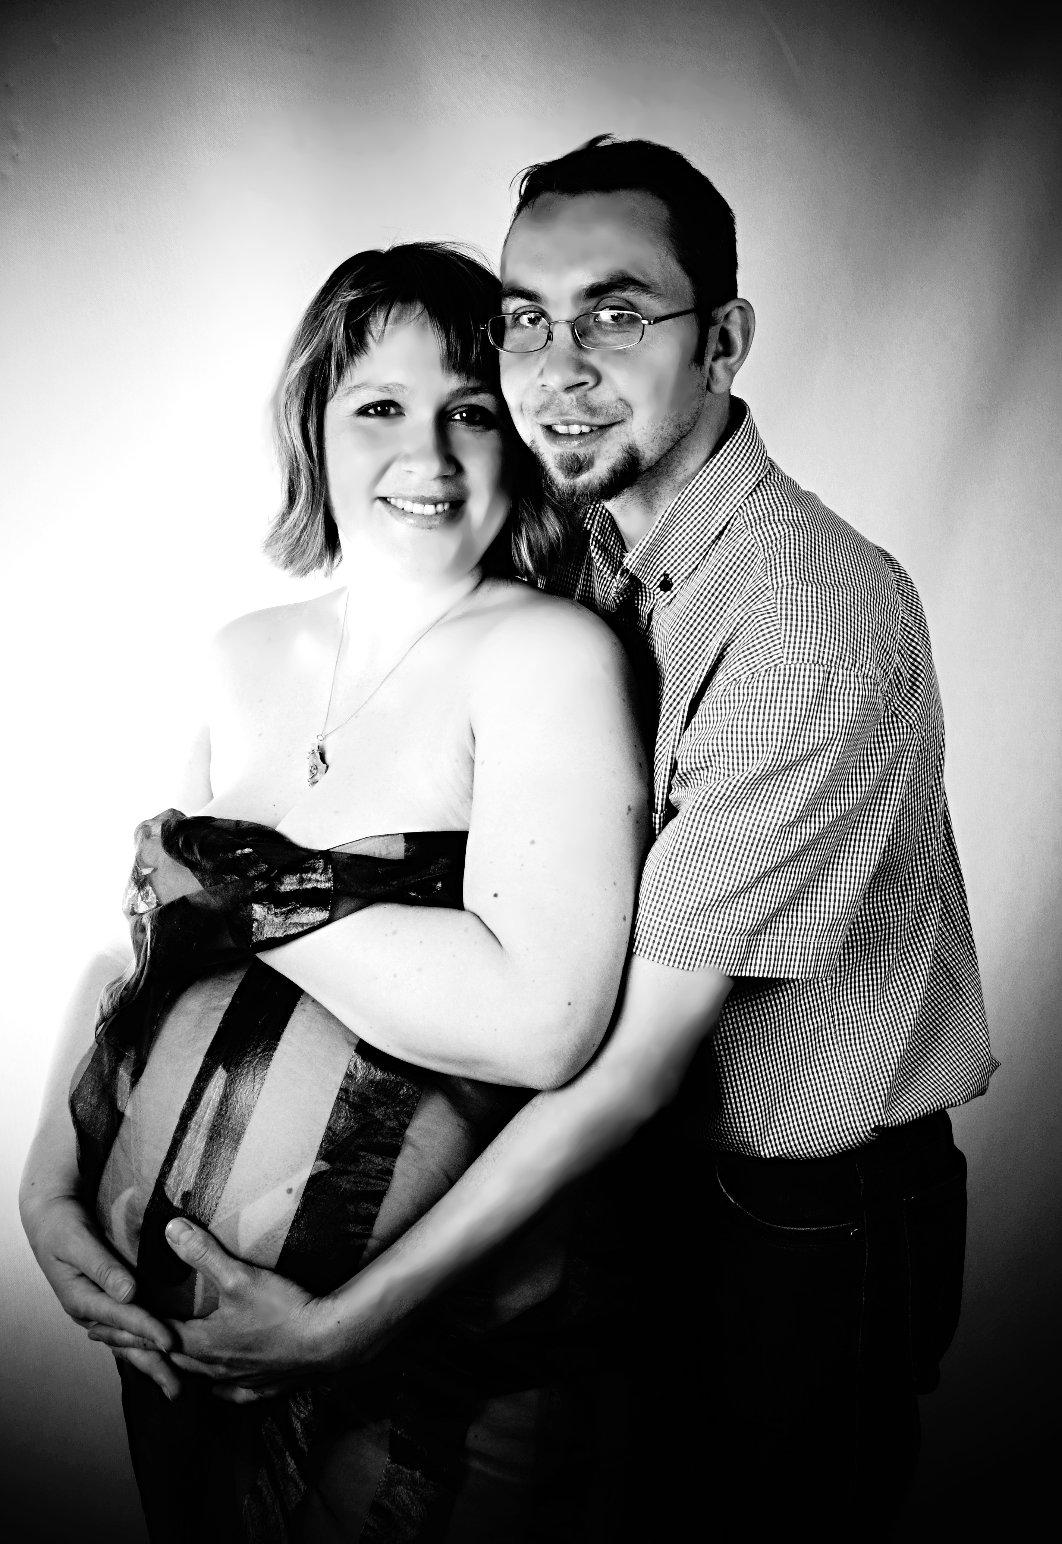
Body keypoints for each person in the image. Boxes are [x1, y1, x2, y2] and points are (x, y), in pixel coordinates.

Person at [31, 140, 999, 1538]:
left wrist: (340, 1324)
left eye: (618, 313)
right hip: (613, 1192)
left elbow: (608, 1059)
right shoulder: (594, 546)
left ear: (723, 340)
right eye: (530, 320)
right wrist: (52, 1190)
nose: (560, 365)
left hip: (788, 1211)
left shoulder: (802, 619)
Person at [19, 241, 648, 1541]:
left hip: (437, 1368)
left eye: (470, 412)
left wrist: (249, 889)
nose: (429, 455)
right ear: (312, 423)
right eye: (380, 407)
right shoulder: (240, 654)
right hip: (183, 1359)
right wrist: (45, 1185)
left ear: (520, 438)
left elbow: (542, 1025)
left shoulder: (544, 654)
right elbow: (139, 952)